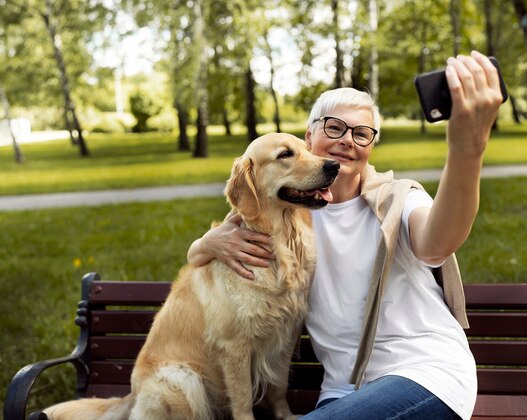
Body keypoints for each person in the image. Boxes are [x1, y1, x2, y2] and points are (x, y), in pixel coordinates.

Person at [187, 50, 504, 420]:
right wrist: (203, 244)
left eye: (362, 133)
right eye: (334, 127)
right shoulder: (285, 213)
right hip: (341, 394)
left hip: (424, 376)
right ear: (309, 136)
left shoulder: (397, 200)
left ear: (371, 146)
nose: (347, 140)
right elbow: (218, 244)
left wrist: (467, 150)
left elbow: (438, 241)